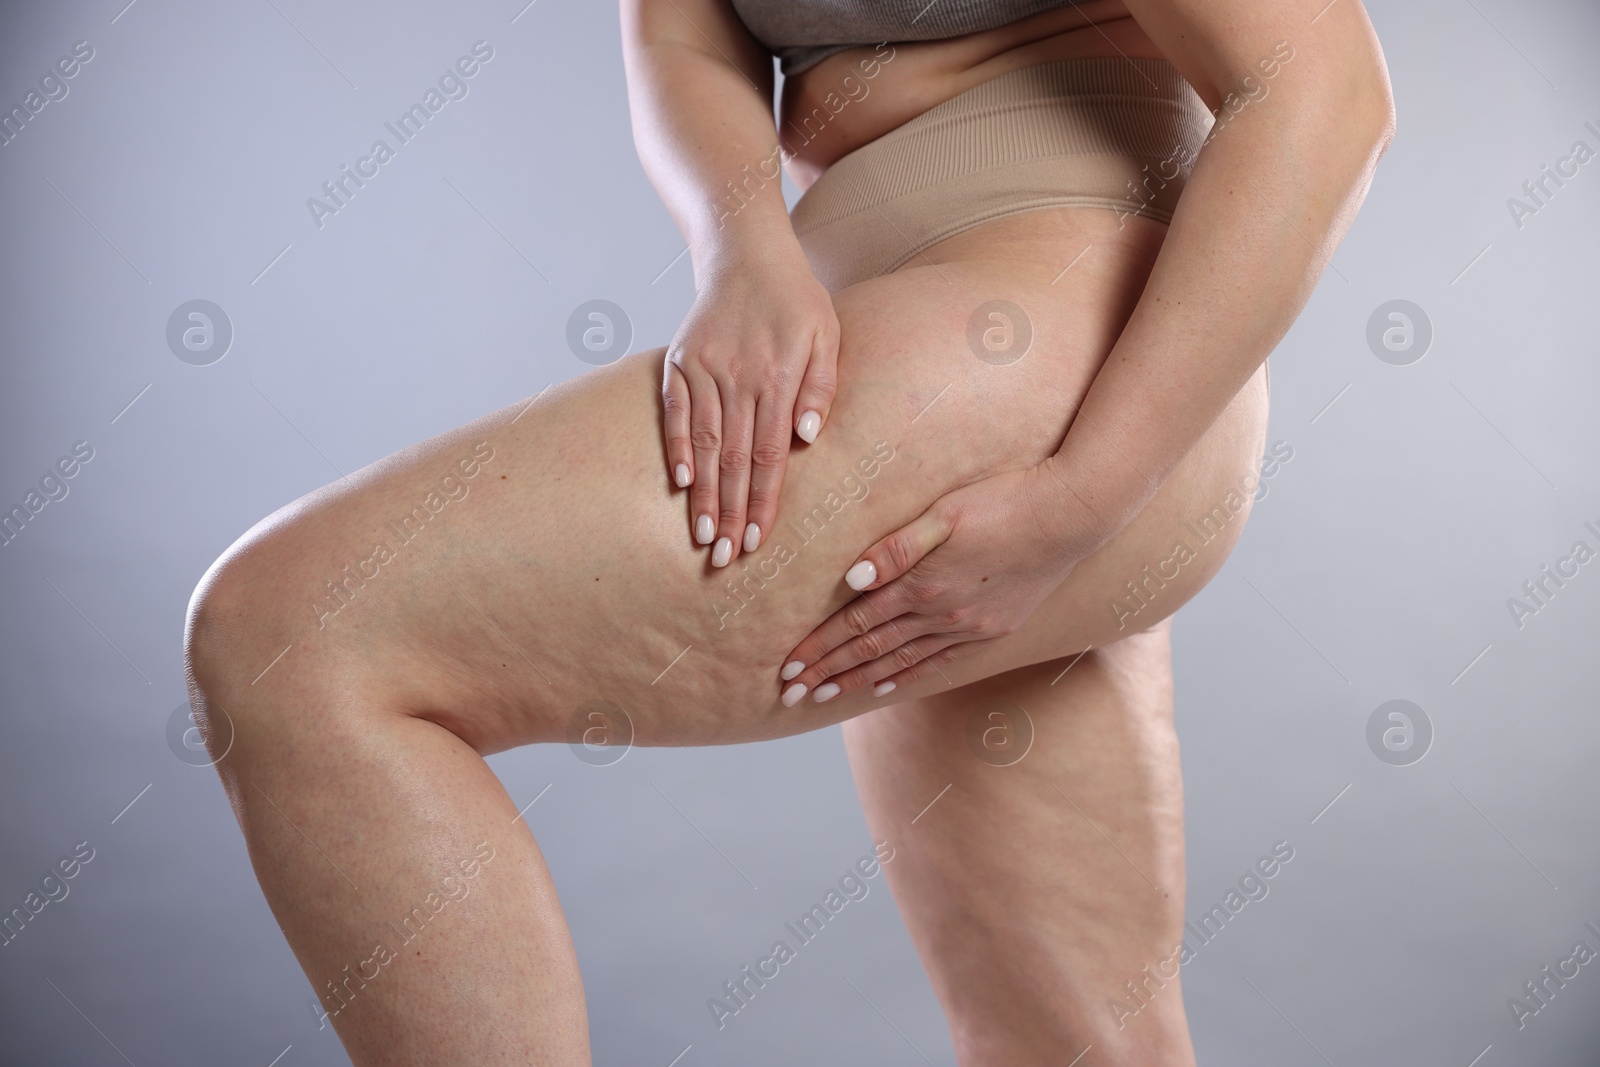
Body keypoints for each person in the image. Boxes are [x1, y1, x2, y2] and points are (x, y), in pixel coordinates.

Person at [184, 0, 1393, 1061]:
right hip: (903, 294)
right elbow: (679, 30)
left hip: (1073, 347)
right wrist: (739, 246)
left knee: (295, 639)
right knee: (1072, 1044)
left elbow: (1322, 89)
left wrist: (1082, 497)